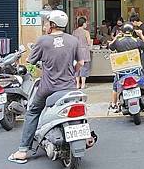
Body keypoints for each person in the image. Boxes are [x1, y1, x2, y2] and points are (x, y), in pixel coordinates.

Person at [8, 10, 86, 165]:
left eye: (46, 23)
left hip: (48, 88)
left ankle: (23, 150)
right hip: (69, 87)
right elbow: (81, 63)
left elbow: (30, 61)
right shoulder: (73, 40)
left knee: (33, 112)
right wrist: (71, 73)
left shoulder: (43, 41)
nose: (44, 25)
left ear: (52, 24)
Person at [107, 23, 144, 113]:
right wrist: (141, 35)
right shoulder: (136, 41)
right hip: (135, 70)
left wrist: (116, 37)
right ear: (132, 31)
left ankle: (113, 105)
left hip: (121, 70)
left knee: (115, 87)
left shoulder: (118, 41)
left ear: (122, 31)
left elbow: (110, 47)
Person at [130, 15, 144, 81]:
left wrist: (141, 40)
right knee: (143, 62)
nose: (132, 24)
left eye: (132, 23)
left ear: (135, 21)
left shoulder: (142, 27)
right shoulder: (142, 26)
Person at [73, 17, 92, 89]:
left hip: (76, 51)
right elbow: (89, 42)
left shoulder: (74, 32)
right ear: (83, 23)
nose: (86, 24)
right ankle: (83, 84)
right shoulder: (86, 32)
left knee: (77, 68)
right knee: (84, 68)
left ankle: (77, 84)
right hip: (84, 52)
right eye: (86, 23)